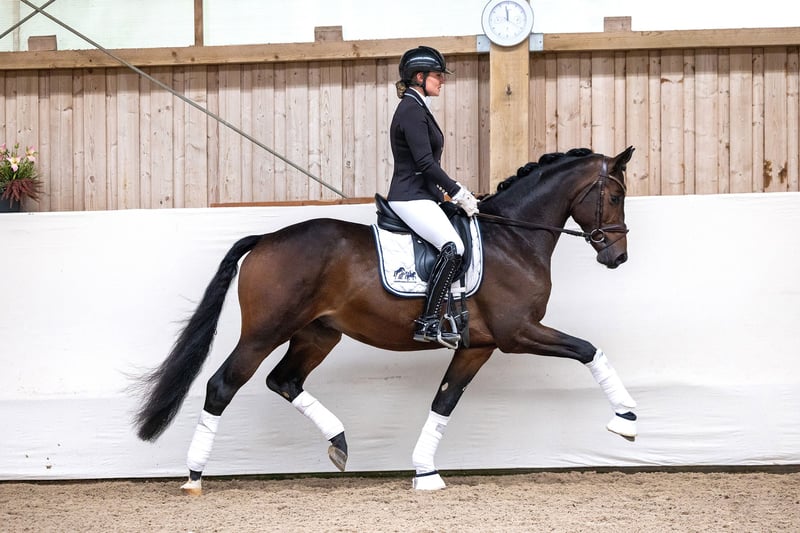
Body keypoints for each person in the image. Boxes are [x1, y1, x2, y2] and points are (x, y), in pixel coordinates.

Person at [387, 46, 479, 347]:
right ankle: (428, 322)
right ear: (419, 76)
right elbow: (425, 164)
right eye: (438, 76)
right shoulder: (411, 110)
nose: (442, 81)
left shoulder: (419, 105)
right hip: (409, 196)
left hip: (422, 194)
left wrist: (446, 197)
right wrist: (458, 191)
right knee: (453, 247)